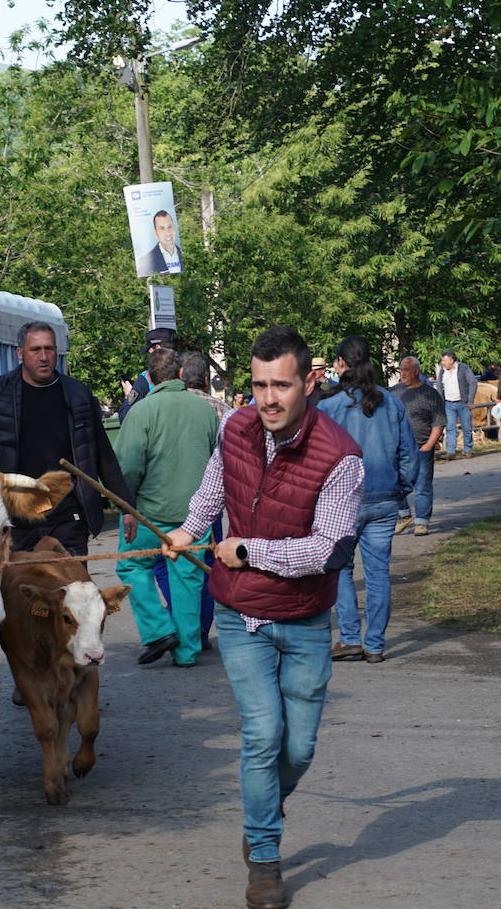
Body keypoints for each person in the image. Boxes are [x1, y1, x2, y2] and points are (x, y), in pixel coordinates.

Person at [162, 326, 363, 909]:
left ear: (308, 383)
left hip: (303, 619)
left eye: (280, 385)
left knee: (298, 750)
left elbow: (328, 549)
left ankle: (262, 808)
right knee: (262, 736)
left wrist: (250, 550)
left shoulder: (341, 457)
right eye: (258, 385)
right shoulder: (234, 429)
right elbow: (211, 494)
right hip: (240, 615)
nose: (268, 399)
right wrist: (185, 532)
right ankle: (266, 857)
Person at [0, 321, 133, 556]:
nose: (44, 356)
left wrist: (126, 506)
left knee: (71, 589)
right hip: (14, 517)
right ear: (20, 353)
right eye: (35, 350)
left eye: (49, 349)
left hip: (68, 515)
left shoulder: (78, 394)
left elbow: (102, 454)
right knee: (21, 591)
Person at [114, 349, 219, 667]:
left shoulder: (142, 412)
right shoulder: (204, 411)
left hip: (150, 511)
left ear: (150, 378)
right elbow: (218, 458)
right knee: (188, 579)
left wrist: (126, 508)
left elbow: (128, 466)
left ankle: (159, 629)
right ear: (179, 374)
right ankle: (186, 652)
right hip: (195, 516)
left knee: (131, 566)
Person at [318, 337, 419, 663]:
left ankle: (349, 638)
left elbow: (318, 458)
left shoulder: (329, 408)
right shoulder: (391, 403)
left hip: (343, 500)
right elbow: (409, 455)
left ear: (341, 364)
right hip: (384, 498)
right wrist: (401, 487)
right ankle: (375, 644)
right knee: (378, 573)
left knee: (341, 570)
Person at [179, 350, 230, 647]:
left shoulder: (174, 408)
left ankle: (187, 627)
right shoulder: (223, 410)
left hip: (177, 501)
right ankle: (201, 627)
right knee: (210, 564)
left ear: (181, 375)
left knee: (181, 565)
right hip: (214, 502)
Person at [389, 357, 444, 536]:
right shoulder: (393, 393)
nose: (402, 373)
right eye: (401, 369)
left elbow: (439, 422)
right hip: (397, 448)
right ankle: (404, 515)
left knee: (423, 486)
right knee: (394, 484)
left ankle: (422, 521)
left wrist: (429, 445)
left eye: (406, 369)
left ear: (415, 371)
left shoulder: (430, 394)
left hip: (421, 447)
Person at [118, 328, 176, 422]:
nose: (149, 352)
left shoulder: (147, 377)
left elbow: (125, 418)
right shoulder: (190, 371)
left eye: (150, 349)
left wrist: (128, 395)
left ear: (157, 348)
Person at [435, 351, 478, 460]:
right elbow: (440, 386)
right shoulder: (442, 371)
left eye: (444, 360)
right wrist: (441, 402)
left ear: (451, 360)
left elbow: (473, 382)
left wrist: (470, 400)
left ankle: (468, 449)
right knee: (450, 428)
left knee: (467, 427)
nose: (443, 362)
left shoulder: (463, 368)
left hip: (463, 402)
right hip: (448, 403)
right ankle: (450, 451)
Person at [135, 210, 183, 277]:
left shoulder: (184, 254)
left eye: (170, 227)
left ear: (174, 228)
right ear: (156, 233)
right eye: (162, 228)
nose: (168, 233)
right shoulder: (146, 261)